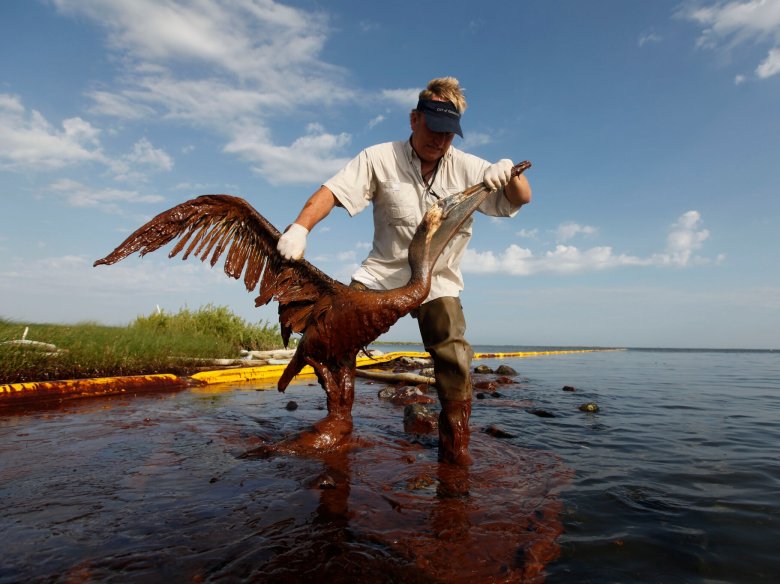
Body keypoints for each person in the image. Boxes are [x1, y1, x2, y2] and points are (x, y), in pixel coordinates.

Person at [277, 77, 532, 465]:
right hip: (382, 273)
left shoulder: (471, 168)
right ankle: (338, 421)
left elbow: (522, 197)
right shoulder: (379, 158)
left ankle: (455, 445)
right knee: (332, 336)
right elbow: (331, 191)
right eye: (434, 128)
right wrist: (300, 227)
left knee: (453, 356)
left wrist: (510, 175)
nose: (441, 140)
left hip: (438, 279)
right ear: (414, 119)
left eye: (450, 134)